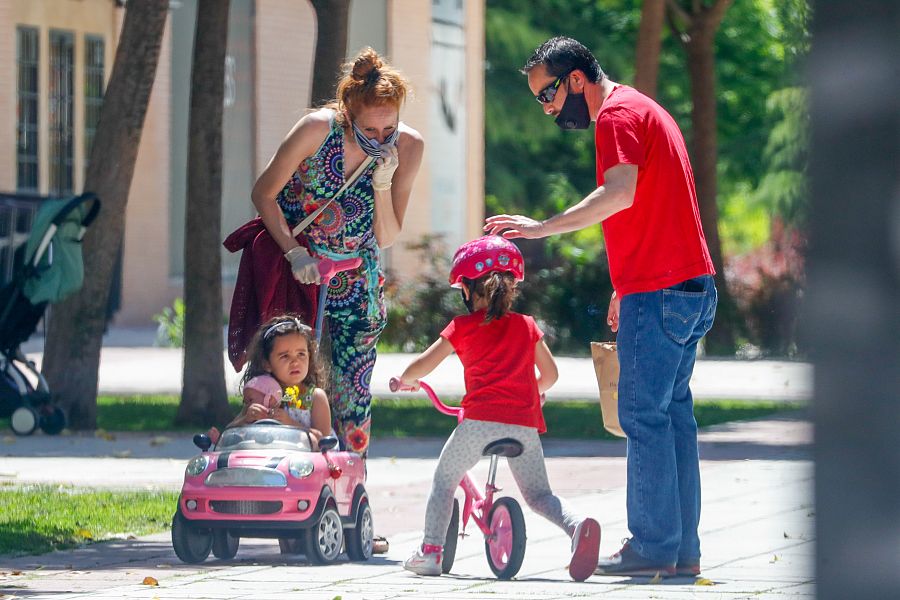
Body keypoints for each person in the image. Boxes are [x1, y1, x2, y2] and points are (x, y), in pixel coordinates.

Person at [484, 36, 718, 578]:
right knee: (672, 418)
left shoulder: (616, 116)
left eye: (546, 95)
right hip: (687, 286)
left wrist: (539, 229)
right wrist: (625, 283)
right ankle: (681, 549)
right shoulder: (643, 107)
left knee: (642, 416)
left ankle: (652, 546)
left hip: (661, 291)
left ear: (575, 81)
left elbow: (620, 194)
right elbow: (658, 205)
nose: (545, 110)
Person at [249, 47, 424, 456]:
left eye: (389, 130)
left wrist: (383, 183)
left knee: (354, 397)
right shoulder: (315, 130)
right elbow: (263, 193)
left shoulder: (409, 147)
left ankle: (349, 486)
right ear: (347, 111)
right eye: (370, 131)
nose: (381, 140)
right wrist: (294, 252)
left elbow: (386, 235)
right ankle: (285, 467)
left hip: (357, 285)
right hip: (300, 279)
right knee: (287, 383)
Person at [396, 236, 601, 581]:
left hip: (478, 423)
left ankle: (431, 551)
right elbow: (550, 375)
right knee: (539, 495)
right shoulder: (526, 325)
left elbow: (422, 365)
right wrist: (527, 391)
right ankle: (578, 526)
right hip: (524, 426)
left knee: (444, 480)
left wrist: (404, 379)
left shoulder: (461, 327)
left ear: (468, 289)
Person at [235, 315, 332, 450]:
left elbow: (324, 443)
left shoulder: (315, 397)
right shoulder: (261, 392)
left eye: (301, 354)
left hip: (305, 467)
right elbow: (231, 432)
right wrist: (246, 420)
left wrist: (290, 424)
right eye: (285, 356)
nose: (295, 362)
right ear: (266, 363)